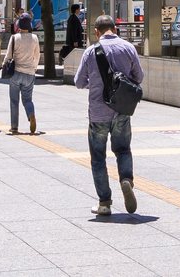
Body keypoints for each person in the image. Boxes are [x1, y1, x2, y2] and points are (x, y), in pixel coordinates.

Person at [73, 13, 141, 216]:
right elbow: (139, 76)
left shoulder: (91, 52)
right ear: (115, 29)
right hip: (121, 109)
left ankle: (104, 203)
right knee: (122, 149)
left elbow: (78, 82)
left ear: (96, 32)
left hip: (98, 112)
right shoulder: (128, 47)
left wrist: (93, 84)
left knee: (98, 158)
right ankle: (126, 179)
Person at [4, 14, 40, 135]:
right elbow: (37, 55)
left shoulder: (15, 38)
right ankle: (31, 114)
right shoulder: (34, 38)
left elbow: (9, 55)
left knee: (14, 101)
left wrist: (4, 65)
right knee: (27, 99)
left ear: (19, 25)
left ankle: (14, 127)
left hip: (16, 73)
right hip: (29, 73)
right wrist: (35, 67)